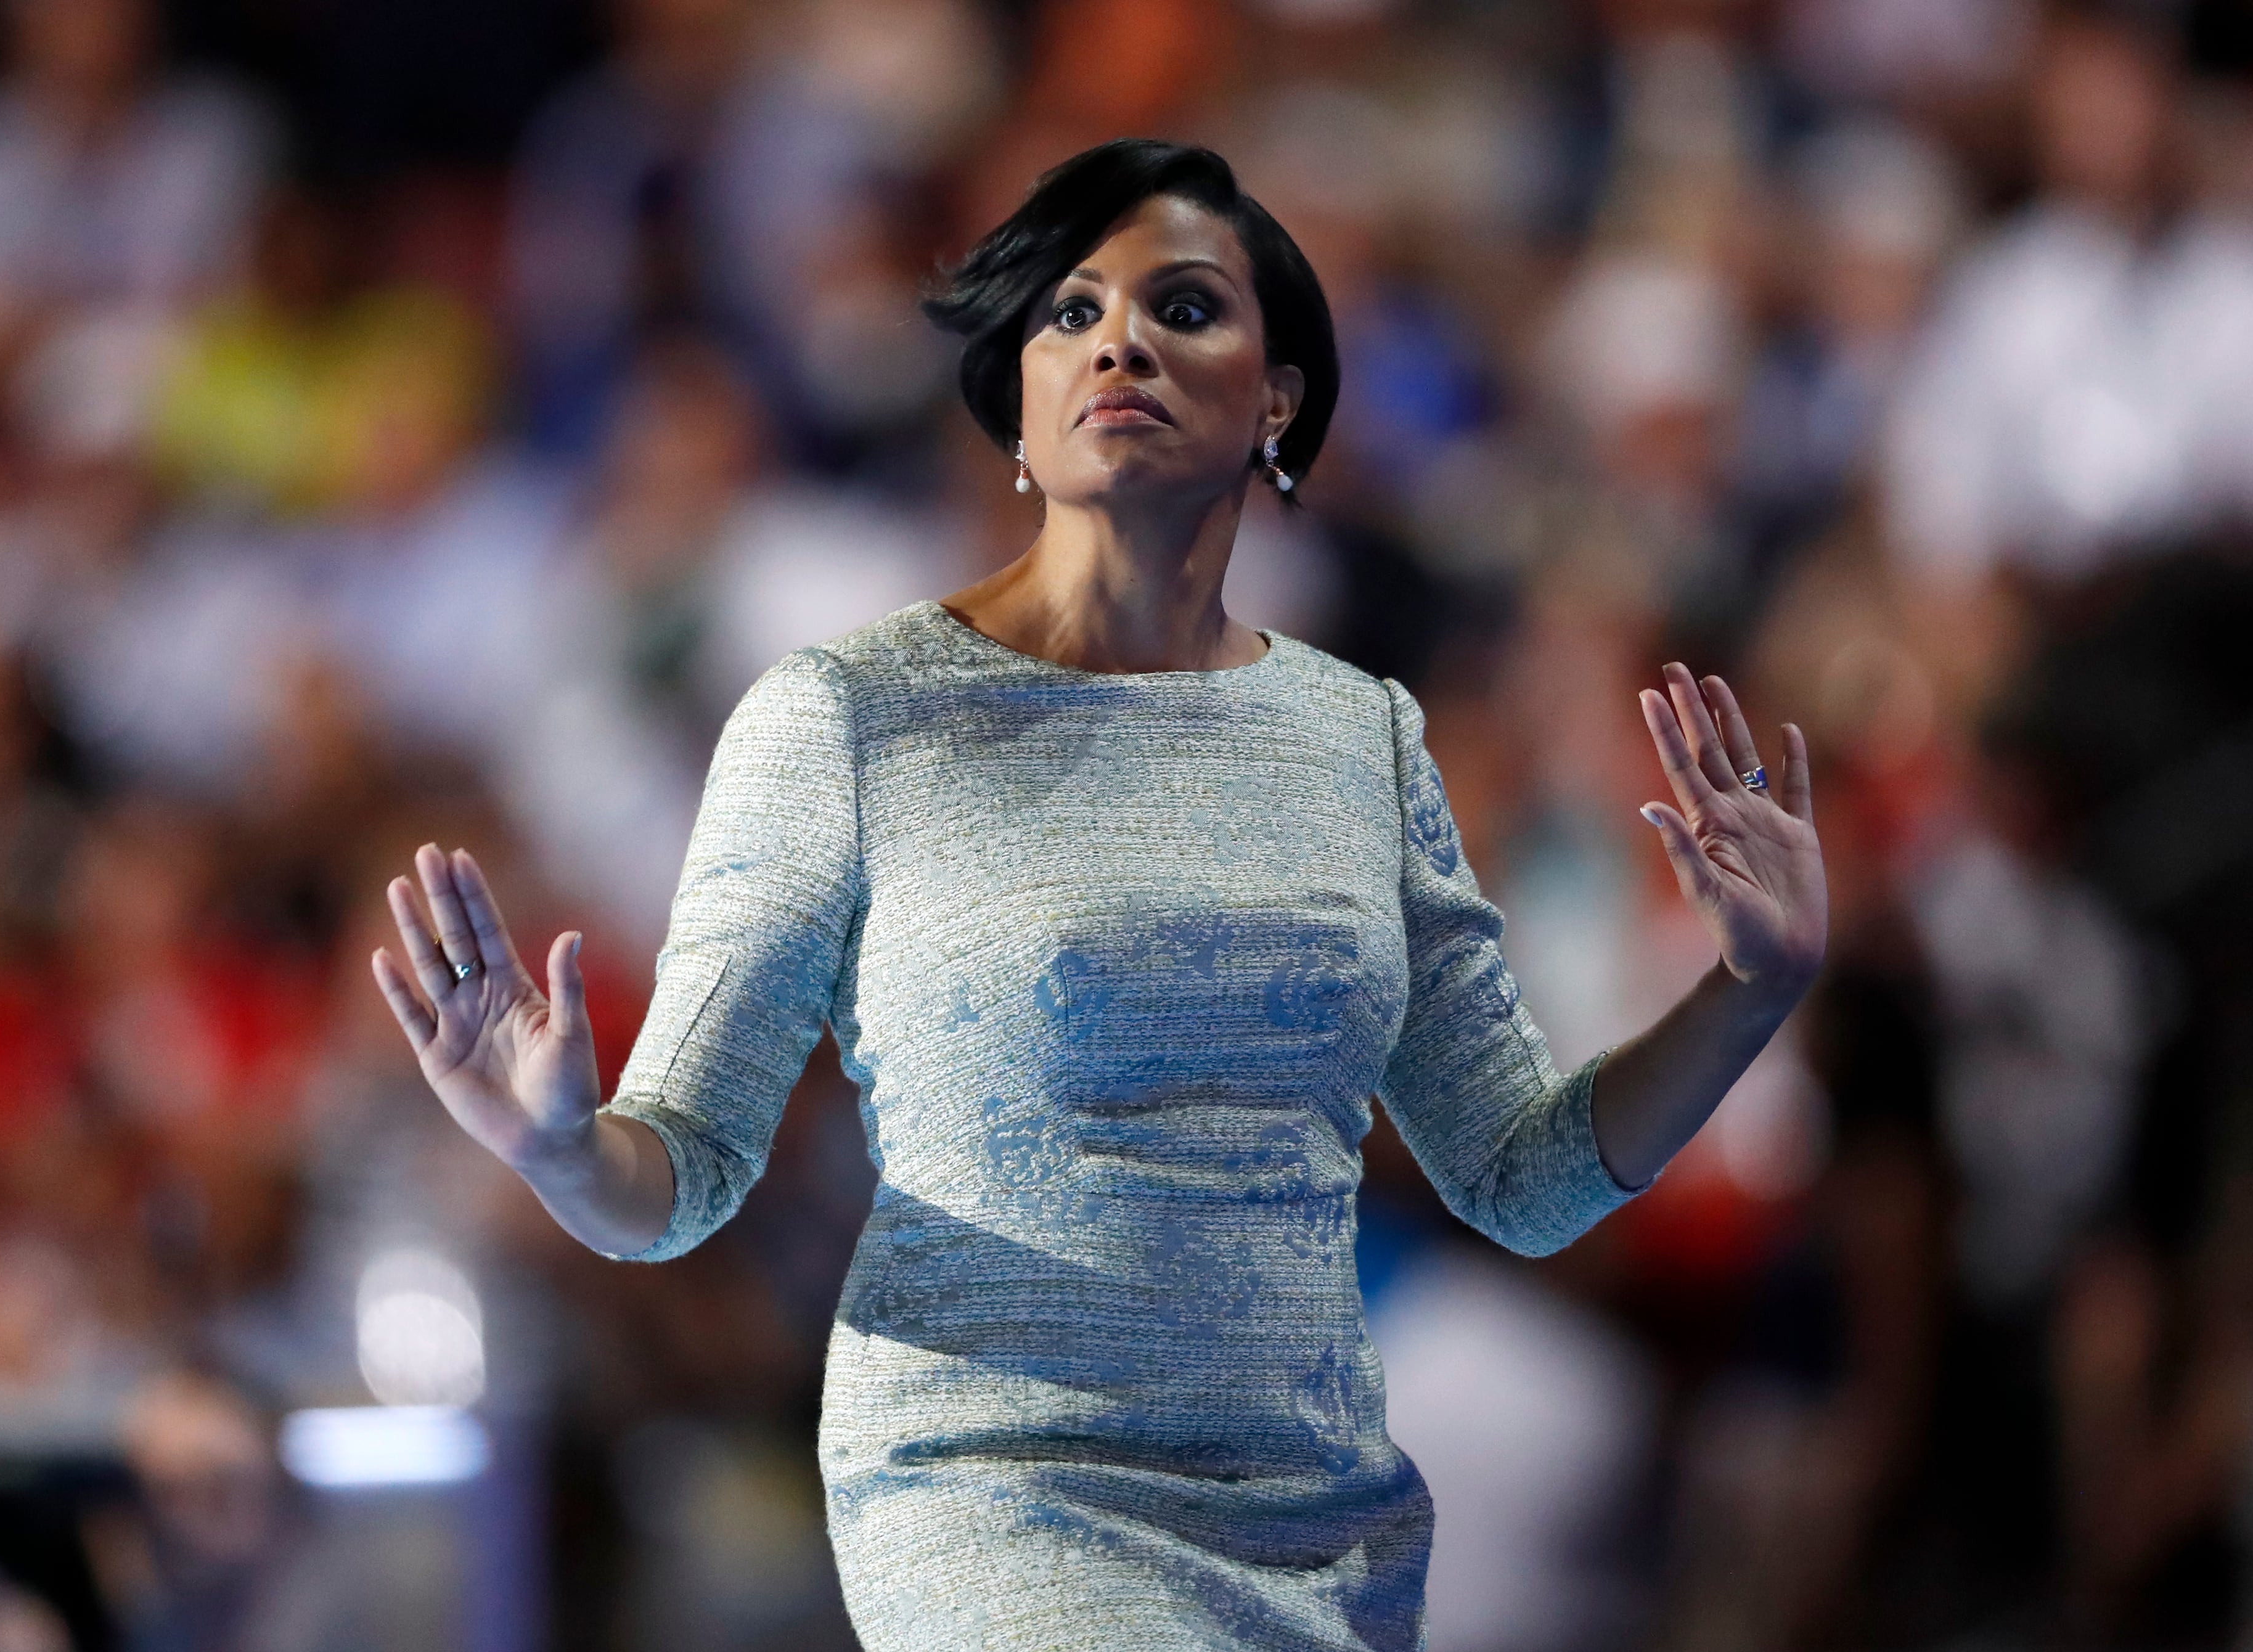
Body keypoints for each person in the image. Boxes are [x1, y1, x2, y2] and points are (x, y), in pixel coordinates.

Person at [368, 139, 1828, 1651]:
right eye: (1070, 313)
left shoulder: (1362, 734)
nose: (1119, 342)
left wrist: (1749, 992)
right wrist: (554, 1149)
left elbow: (1525, 1176)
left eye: (1183, 307)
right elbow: (680, 1169)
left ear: (1278, 402)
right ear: (1017, 396)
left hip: (1311, 1521)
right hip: (992, 1492)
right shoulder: (848, 715)